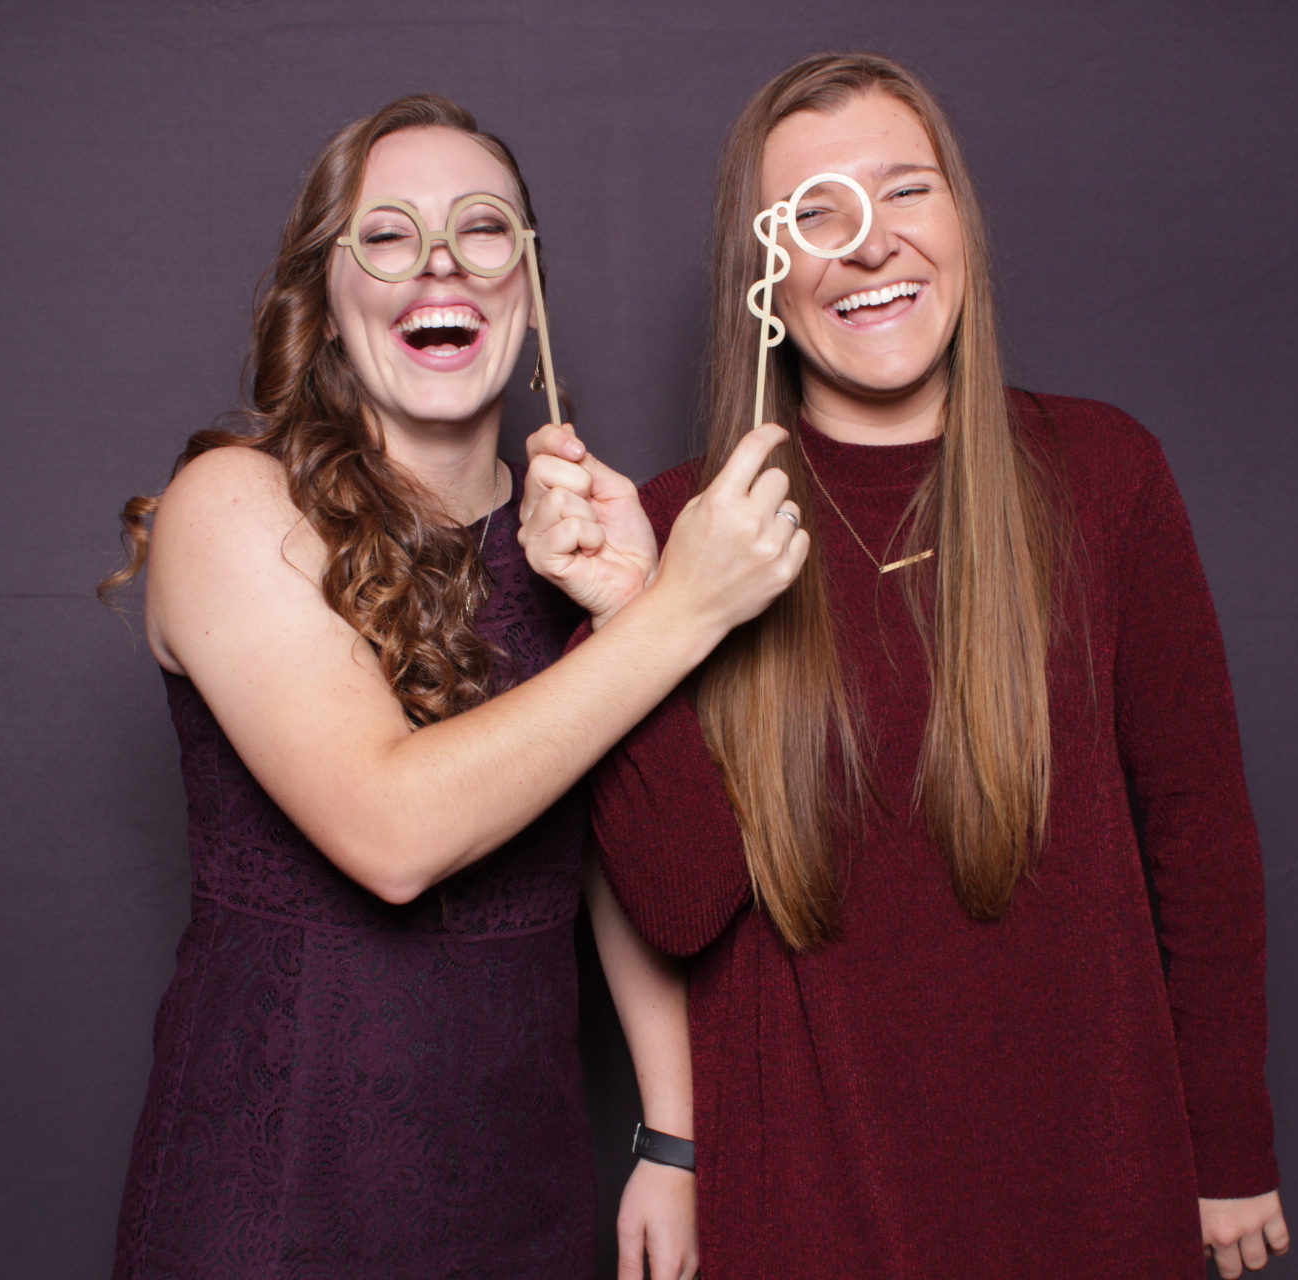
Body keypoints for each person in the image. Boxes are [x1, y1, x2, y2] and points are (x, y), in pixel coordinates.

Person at [520, 53, 1290, 1280]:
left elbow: (1199, 831)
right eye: (814, 213)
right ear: (764, 276)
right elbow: (676, 898)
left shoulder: (1105, 476)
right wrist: (629, 606)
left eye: (905, 191)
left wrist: (1230, 1139)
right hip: (808, 1208)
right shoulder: (682, 525)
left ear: (963, 222)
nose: (869, 244)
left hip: (1094, 1185)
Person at [100, 94, 804, 1279]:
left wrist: (675, 1139)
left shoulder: (566, 543)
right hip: (274, 1197)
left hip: (519, 1191)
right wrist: (679, 609)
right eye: (386, 235)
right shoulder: (234, 505)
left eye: (483, 229)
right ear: (325, 299)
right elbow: (394, 828)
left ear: (526, 284)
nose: (440, 263)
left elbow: (609, 856)